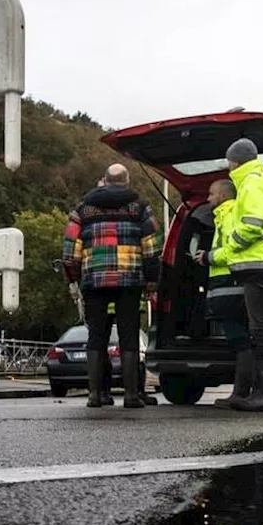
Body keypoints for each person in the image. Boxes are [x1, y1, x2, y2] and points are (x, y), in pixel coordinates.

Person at [62, 163, 162, 408]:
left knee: (96, 338)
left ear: (105, 180)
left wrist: (74, 278)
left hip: (93, 281)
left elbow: (70, 251)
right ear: (126, 182)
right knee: (128, 337)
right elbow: (152, 249)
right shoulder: (139, 208)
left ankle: (95, 396)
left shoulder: (83, 210)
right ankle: (130, 396)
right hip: (129, 280)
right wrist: (151, 281)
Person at [211, 139, 263, 412]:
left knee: (260, 329)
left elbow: (253, 224)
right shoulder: (261, 180)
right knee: (262, 327)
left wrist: (231, 243)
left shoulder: (252, 182)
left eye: (229, 161)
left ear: (235, 161)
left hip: (260, 262)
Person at [192, 178, 252, 409]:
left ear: (224, 196)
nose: (208, 199)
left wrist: (207, 257)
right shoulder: (225, 216)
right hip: (231, 287)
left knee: (240, 341)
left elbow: (232, 251)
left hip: (230, 288)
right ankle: (245, 391)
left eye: (211, 194)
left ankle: (241, 393)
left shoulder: (228, 216)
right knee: (242, 340)